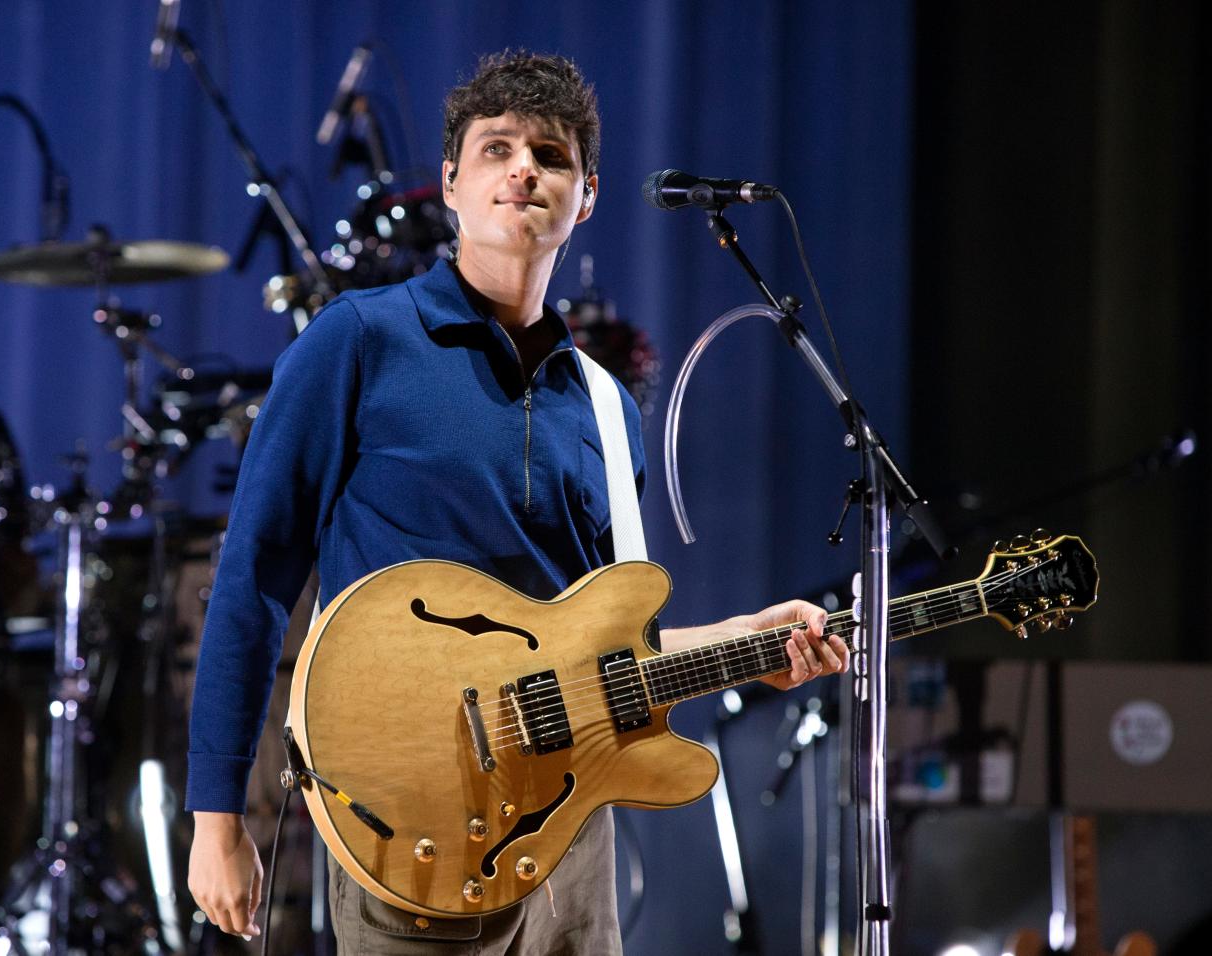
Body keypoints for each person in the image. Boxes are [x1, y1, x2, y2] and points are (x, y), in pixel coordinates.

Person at [185, 50, 849, 954]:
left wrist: (747, 642)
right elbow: (253, 578)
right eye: (496, 149)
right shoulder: (359, 342)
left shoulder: (608, 409)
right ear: (451, 184)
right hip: (409, 833)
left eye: (552, 153)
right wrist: (215, 818)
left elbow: (599, 651)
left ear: (588, 197)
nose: (524, 168)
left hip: (571, 847)